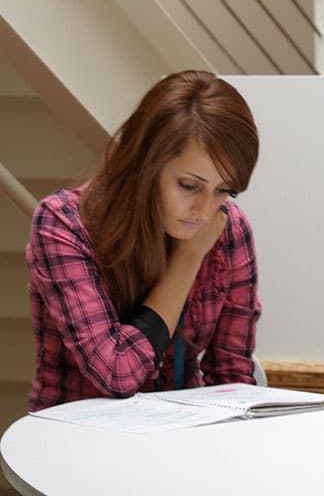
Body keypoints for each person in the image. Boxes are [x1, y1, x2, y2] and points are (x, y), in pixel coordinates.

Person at [26, 70, 261, 411]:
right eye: (188, 185)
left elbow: (233, 378)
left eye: (223, 190)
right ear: (147, 164)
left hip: (181, 440)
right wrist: (188, 259)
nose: (204, 209)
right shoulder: (64, 224)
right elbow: (116, 373)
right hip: (75, 441)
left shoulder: (230, 228)